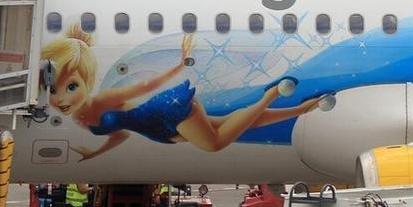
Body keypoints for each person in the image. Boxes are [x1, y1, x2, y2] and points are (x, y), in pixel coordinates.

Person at [42, 27, 333, 162]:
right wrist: (94, 153)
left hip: (165, 112)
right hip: (160, 129)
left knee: (215, 144)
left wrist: (179, 65)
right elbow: (120, 134)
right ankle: (297, 110)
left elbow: (143, 88)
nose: (61, 98)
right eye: (54, 90)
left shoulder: (101, 101)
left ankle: (270, 95)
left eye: (71, 87)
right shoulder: (81, 116)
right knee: (231, 122)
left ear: (88, 81)